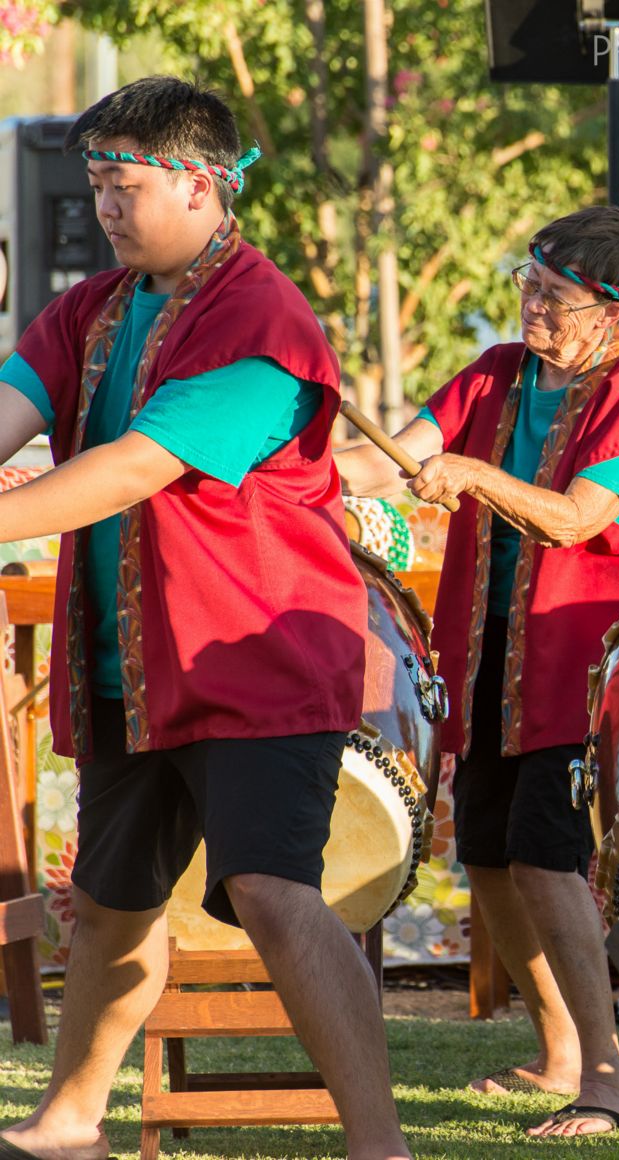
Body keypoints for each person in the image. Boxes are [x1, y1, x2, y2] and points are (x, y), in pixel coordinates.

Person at [0, 78, 409, 1160]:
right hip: (136, 663)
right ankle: (70, 1119)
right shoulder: (91, 309)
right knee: (110, 901)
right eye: (95, 185)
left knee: (273, 893)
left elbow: (133, 468)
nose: (105, 208)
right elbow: (11, 409)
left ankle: (383, 1147)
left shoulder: (261, 319)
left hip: (259, 656)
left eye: (123, 184)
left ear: (200, 180)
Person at [337, 205, 619, 1138]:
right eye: (529, 286)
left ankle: (609, 1078)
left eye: (554, 297)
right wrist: (277, 469)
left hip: (584, 665)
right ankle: (557, 1054)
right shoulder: (495, 374)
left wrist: (472, 475)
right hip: (488, 656)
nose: (533, 308)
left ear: (612, 310)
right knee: (490, 858)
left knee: (549, 863)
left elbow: (576, 518)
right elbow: (391, 462)